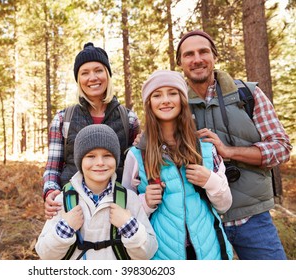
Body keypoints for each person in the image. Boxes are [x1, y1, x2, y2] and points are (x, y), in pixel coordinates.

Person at [175, 30, 293, 260]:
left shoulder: (247, 94)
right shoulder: (174, 102)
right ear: (180, 62)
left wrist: (229, 151)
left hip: (251, 219)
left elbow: (281, 147)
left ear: (214, 56)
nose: (197, 59)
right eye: (189, 54)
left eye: (203, 52)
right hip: (201, 222)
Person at [122, 70, 233, 260]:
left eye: (172, 93)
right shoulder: (136, 155)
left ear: (182, 99)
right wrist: (145, 203)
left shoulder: (206, 149)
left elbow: (224, 205)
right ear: (149, 104)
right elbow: (125, 212)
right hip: (161, 257)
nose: (165, 100)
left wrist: (210, 181)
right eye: (157, 95)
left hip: (210, 253)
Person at [43, 42, 140, 219]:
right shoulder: (64, 119)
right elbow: (53, 168)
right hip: (73, 207)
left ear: (108, 75)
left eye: (98, 70)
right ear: (78, 80)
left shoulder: (129, 119)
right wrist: (50, 191)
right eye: (85, 73)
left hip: (115, 208)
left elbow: (136, 167)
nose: (92, 78)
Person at [36, 124, 158, 260]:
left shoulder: (129, 199)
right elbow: (45, 254)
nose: (100, 162)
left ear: (116, 159)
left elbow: (148, 252)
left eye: (107, 155)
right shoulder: (63, 200)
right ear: (79, 160)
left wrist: (129, 225)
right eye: (91, 156)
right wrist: (65, 228)